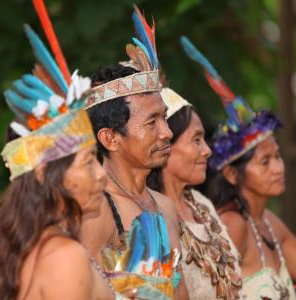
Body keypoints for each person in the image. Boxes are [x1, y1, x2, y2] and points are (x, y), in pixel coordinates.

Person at [182, 36, 296, 299]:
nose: (278, 168)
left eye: (278, 156)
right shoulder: (231, 224)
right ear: (231, 173)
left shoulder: (269, 223)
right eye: (265, 161)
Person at [0, 3, 115, 299]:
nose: (102, 175)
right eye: (88, 161)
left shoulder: (36, 248)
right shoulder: (64, 257)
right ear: (44, 172)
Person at [85, 6, 187, 300]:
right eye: (151, 122)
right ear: (110, 138)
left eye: (164, 118)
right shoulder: (94, 211)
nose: (167, 132)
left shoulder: (165, 207)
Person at [147, 87, 242, 300]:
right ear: (165, 146)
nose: (207, 150)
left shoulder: (201, 203)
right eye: (196, 140)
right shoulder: (149, 217)